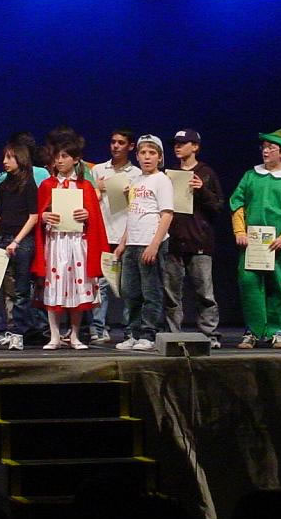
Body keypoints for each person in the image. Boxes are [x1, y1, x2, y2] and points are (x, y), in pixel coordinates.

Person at [229, 130, 281, 349]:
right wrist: (239, 231)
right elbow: (237, 203)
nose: (265, 151)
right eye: (264, 147)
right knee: (249, 283)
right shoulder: (251, 176)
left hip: (278, 244)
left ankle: (276, 331)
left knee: (277, 286)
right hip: (252, 242)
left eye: (271, 148)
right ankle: (253, 331)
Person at [33, 136, 107, 350]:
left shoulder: (85, 186)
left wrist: (87, 215)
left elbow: (95, 218)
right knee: (54, 285)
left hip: (77, 242)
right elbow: (38, 213)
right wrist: (44, 217)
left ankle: (75, 335)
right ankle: (54, 335)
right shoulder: (47, 185)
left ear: (75, 159)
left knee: (77, 285)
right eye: (56, 157)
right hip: (55, 242)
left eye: (64, 156)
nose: (59, 161)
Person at [161, 128, 224, 348]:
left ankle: (209, 335)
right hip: (174, 241)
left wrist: (202, 189)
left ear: (195, 146)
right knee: (171, 294)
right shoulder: (169, 174)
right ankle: (173, 335)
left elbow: (218, 206)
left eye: (183, 143)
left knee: (204, 292)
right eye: (175, 144)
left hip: (199, 241)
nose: (177, 147)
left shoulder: (206, 173)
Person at [114, 134, 174, 352]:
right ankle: (132, 332)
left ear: (160, 157)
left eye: (152, 153)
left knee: (151, 291)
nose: (147, 157)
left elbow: (167, 214)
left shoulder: (162, 180)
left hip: (150, 242)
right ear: (137, 156)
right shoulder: (136, 181)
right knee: (130, 292)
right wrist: (123, 242)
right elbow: (133, 213)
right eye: (143, 153)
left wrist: (154, 244)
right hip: (133, 243)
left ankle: (149, 334)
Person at [0, 143, 39, 350]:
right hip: (2, 238)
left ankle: (18, 333)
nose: (4, 161)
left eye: (9, 158)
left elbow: (33, 217)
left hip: (22, 241)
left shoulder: (29, 184)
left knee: (20, 290)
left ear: (20, 159)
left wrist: (17, 241)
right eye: (4, 157)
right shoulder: (4, 185)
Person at [91, 128, 141, 344]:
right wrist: (97, 188)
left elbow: (139, 207)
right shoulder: (98, 170)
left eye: (121, 142)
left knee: (127, 285)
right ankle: (98, 328)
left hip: (125, 234)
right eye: (113, 142)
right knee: (100, 284)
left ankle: (130, 330)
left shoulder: (136, 174)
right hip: (102, 234)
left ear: (130, 146)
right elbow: (88, 201)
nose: (116, 146)